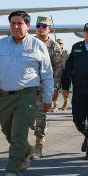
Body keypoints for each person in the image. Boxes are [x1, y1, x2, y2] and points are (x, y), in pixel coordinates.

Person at [0, 11, 53, 176]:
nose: (16, 27)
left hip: (28, 95)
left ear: (27, 26)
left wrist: (48, 98)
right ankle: (27, 150)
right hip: (5, 95)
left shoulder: (37, 45)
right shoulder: (0, 45)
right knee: (7, 130)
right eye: (13, 23)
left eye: (20, 23)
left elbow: (47, 74)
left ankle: (12, 170)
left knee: (19, 133)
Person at [62, 22, 88, 160]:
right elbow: (68, 68)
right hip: (78, 90)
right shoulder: (76, 47)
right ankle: (87, 136)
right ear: (83, 33)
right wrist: (65, 87)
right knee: (78, 120)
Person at [30, 16, 64, 158]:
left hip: (45, 86)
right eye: (39, 26)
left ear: (49, 29)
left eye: (44, 26)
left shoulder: (54, 47)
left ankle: (39, 144)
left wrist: (55, 88)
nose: (41, 29)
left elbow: (58, 68)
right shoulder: (28, 42)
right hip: (28, 85)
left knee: (41, 115)